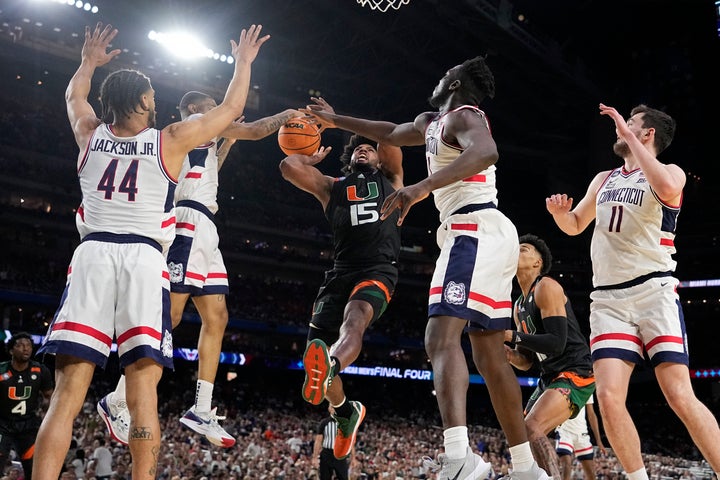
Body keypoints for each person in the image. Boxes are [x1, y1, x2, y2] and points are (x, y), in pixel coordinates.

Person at [32, 21, 269, 480]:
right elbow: (232, 108)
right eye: (152, 97)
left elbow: (73, 97)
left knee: (66, 397)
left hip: (92, 257)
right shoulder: (171, 140)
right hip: (143, 261)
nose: (156, 102)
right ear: (142, 103)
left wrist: (87, 62)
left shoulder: (88, 132)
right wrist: (242, 63)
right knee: (143, 394)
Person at [303, 57, 548, 480]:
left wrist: (422, 186)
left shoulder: (465, 115)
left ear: (454, 81)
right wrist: (335, 119)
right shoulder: (431, 121)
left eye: (442, 74)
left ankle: (459, 456)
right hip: (485, 231)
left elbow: (487, 151)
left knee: (439, 337)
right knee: (489, 354)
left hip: (472, 227)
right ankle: (527, 468)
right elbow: (389, 132)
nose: (435, 79)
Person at [97, 95, 300, 448]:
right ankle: (116, 398)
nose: (223, 107)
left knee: (217, 317)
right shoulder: (197, 124)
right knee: (170, 315)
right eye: (213, 103)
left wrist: (229, 139)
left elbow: (210, 171)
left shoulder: (199, 139)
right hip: (188, 223)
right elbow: (254, 129)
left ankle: (201, 409)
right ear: (196, 110)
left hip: (205, 226)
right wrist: (286, 114)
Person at [546, 103, 720, 480]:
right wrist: (562, 217)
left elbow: (671, 187)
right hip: (608, 299)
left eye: (631, 123)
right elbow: (577, 225)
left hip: (653, 290)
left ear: (647, 134)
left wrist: (627, 135)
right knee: (608, 399)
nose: (620, 128)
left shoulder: (669, 173)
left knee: (679, 396)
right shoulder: (603, 179)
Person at [279, 120, 403, 461]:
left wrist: (345, 121)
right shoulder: (332, 187)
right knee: (313, 363)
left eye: (370, 148)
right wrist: (309, 157)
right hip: (339, 273)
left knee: (355, 319)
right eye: (358, 148)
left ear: (379, 159)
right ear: (349, 160)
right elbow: (288, 166)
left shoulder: (391, 181)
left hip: (377, 269)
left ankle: (333, 364)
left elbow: (390, 135)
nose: (364, 148)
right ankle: (345, 410)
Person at [504, 234, 596, 479]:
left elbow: (556, 343)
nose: (517, 250)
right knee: (520, 435)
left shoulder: (547, 286)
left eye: (523, 249)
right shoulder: (518, 306)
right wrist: (510, 355)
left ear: (537, 262)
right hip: (550, 375)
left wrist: (511, 335)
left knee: (530, 427)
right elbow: (527, 362)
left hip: (575, 370)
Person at [0, 333, 54, 479]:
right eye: (20, 345)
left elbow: (50, 396)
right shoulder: (1, 370)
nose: (26, 349)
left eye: (29, 345)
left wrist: (46, 413)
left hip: (28, 426)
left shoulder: (40, 370)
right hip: (3, 424)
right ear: (11, 350)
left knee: (34, 469)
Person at [555, 394, 606, 480]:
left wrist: (599, 441)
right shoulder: (562, 385)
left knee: (591, 474)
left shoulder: (587, 387)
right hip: (564, 431)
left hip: (581, 432)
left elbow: (591, 415)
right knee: (566, 465)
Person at [312, 406, 350, 480]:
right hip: (327, 453)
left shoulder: (344, 423)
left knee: (344, 477)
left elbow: (349, 440)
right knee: (325, 477)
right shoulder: (324, 423)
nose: (334, 409)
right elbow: (318, 441)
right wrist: (314, 458)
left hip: (340, 454)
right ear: (329, 408)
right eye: (332, 407)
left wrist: (353, 457)